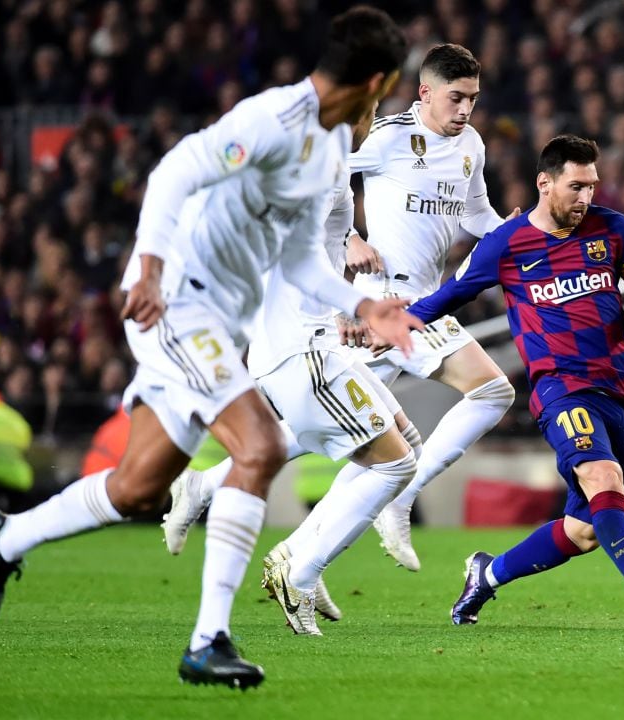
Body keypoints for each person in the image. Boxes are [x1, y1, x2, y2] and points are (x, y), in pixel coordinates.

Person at [0, 6, 415, 690]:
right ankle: (209, 639)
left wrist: (364, 305)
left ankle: (6, 537)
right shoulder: (271, 120)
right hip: (175, 300)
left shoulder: (324, 151)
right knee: (260, 446)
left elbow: (298, 260)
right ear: (377, 81)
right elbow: (175, 171)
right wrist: (147, 264)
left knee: (139, 488)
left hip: (216, 320)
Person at [403, 135, 624, 625]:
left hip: (619, 388)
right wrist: (394, 323)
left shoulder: (612, 229)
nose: (586, 197)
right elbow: (451, 295)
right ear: (544, 183)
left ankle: (486, 575)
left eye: (592, 186)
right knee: (601, 477)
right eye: (576, 186)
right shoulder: (506, 245)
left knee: (584, 530)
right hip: (559, 387)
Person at [161, 104, 424, 637]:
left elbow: (323, 249)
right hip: (298, 348)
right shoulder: (306, 170)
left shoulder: (333, 167)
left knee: (407, 440)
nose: (369, 120)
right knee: (396, 467)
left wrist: (344, 294)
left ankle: (208, 489)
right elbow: (286, 256)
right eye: (366, 108)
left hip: (319, 336)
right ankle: (299, 565)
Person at [346, 44, 519, 571]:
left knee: (488, 391)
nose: (465, 109)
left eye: (473, 99)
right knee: (324, 433)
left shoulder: (471, 144)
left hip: (425, 305)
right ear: (425, 92)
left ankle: (383, 510)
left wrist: (514, 237)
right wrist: (350, 237)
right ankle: (391, 504)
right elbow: (315, 186)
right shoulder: (389, 137)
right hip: (380, 306)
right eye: (456, 97)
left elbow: (474, 214)